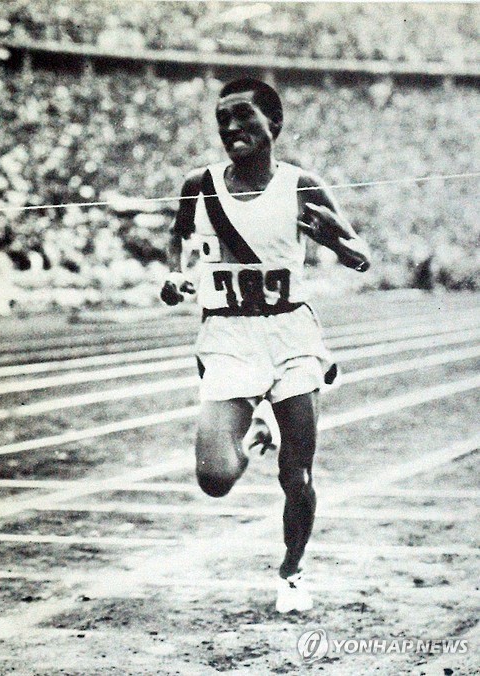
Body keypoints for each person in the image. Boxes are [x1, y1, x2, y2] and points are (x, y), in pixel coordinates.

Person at [160, 78, 370, 612]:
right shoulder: (199, 183)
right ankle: (259, 431)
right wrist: (176, 276)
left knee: (296, 473)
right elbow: (178, 236)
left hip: (291, 335)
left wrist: (330, 237)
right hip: (228, 335)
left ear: (273, 123)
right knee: (214, 478)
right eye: (222, 120)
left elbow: (360, 255)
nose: (231, 128)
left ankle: (292, 571)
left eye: (243, 117)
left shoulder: (302, 184)